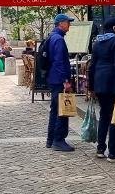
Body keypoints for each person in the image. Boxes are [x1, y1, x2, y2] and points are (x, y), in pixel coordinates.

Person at [88, 17, 115, 161]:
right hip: (113, 83)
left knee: (104, 116)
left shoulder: (98, 42)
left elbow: (92, 65)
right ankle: (113, 151)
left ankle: (100, 148)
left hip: (100, 83)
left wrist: (91, 86)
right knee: (114, 117)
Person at [45, 13, 75, 152]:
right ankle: (58, 139)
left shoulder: (53, 37)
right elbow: (59, 62)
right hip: (58, 80)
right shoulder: (58, 39)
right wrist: (65, 81)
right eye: (68, 22)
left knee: (55, 110)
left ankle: (51, 139)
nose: (69, 25)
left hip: (54, 78)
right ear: (61, 23)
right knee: (61, 110)